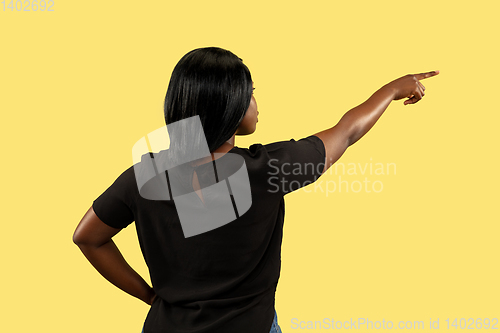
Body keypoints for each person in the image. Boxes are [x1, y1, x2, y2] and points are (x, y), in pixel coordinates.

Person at [72, 47, 439, 333]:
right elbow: (345, 132)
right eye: (250, 94)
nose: (255, 104)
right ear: (228, 105)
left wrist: (150, 296)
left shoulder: (144, 176)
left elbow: (87, 236)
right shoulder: (268, 169)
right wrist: (392, 89)